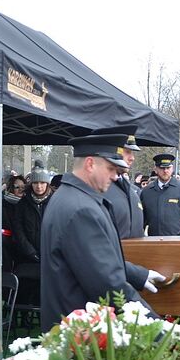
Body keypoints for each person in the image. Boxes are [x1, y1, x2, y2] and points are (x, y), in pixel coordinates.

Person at [40, 134, 163, 330]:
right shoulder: (81, 209)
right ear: (90, 164)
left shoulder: (70, 197)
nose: (115, 176)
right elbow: (108, 284)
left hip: (73, 325)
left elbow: (92, 261)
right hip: (81, 332)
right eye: (111, 169)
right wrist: (157, 328)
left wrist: (139, 275)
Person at [13, 164, 53, 305]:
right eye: (36, 183)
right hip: (26, 257)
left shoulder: (55, 202)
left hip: (49, 256)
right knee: (26, 289)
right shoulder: (23, 204)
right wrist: (30, 251)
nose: (39, 186)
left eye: (42, 182)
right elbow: (18, 230)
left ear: (47, 184)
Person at [97, 126, 145, 238]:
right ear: (113, 151)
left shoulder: (132, 190)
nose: (132, 158)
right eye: (127, 152)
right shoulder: (99, 187)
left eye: (132, 152)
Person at [140, 153, 180, 236]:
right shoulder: (147, 192)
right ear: (155, 169)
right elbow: (141, 219)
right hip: (154, 239)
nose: (165, 171)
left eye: (168, 168)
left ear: (172, 168)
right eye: (162, 168)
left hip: (177, 239)